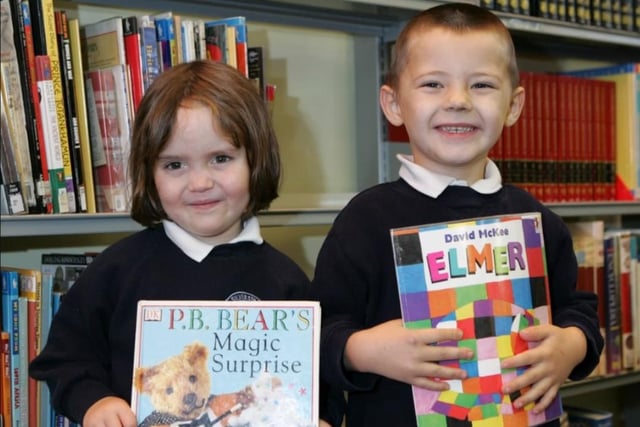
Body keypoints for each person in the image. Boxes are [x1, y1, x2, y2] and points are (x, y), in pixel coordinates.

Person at [309, 3, 603, 427]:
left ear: (514, 106)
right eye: (432, 84)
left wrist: (569, 347)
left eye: (481, 84)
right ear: (393, 104)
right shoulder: (365, 222)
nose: (458, 101)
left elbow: (579, 311)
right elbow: (318, 332)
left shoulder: (537, 221)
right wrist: (362, 349)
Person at [30, 60, 339, 427]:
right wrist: (95, 403)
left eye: (220, 159)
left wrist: (320, 419)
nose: (199, 183)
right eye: (174, 165)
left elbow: (320, 384)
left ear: (256, 162)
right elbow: (63, 359)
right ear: (150, 173)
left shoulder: (287, 281)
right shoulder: (117, 270)